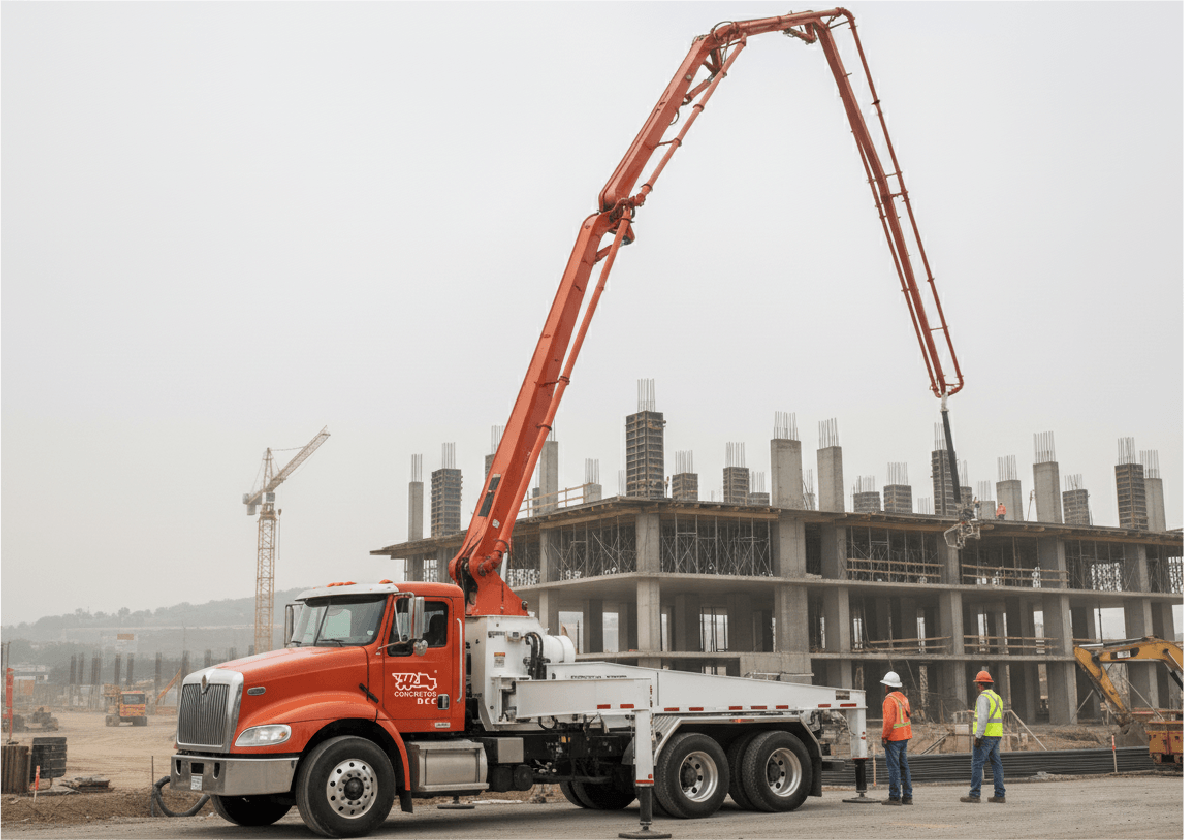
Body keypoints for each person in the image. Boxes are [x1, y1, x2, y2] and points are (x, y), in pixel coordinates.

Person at [961, 670, 1006, 803]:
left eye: (977, 684)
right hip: (997, 734)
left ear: (980, 685)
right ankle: (1000, 794)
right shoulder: (997, 697)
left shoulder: (982, 698)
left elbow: (983, 719)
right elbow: (995, 716)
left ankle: (974, 794)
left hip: (985, 735)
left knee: (977, 764)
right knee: (997, 765)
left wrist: (978, 736)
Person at [879, 670, 913, 805]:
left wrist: (884, 737)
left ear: (887, 686)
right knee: (904, 767)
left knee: (894, 768)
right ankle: (908, 796)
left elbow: (888, 722)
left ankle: (894, 797)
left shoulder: (889, 700)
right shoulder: (903, 698)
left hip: (893, 738)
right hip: (905, 736)